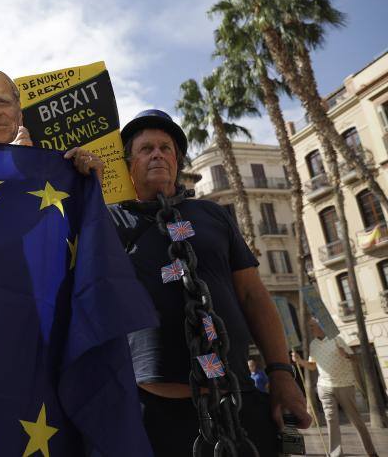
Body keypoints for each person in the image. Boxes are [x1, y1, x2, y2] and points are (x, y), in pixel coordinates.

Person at [107, 109, 311, 456]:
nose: (157, 154)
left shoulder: (213, 214)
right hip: (156, 408)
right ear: (128, 164)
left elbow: (252, 294)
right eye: (145, 149)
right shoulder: (108, 221)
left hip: (235, 394)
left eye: (165, 147)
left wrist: (280, 372)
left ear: (177, 160)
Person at [293, 319, 378, 457]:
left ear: (321, 326)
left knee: (356, 421)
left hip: (344, 385)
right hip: (324, 387)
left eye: (312, 326)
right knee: (331, 421)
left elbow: (355, 358)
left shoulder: (337, 340)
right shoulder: (313, 345)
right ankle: (335, 454)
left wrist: (346, 355)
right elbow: (313, 366)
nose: (311, 329)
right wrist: (300, 361)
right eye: (310, 327)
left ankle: (371, 453)